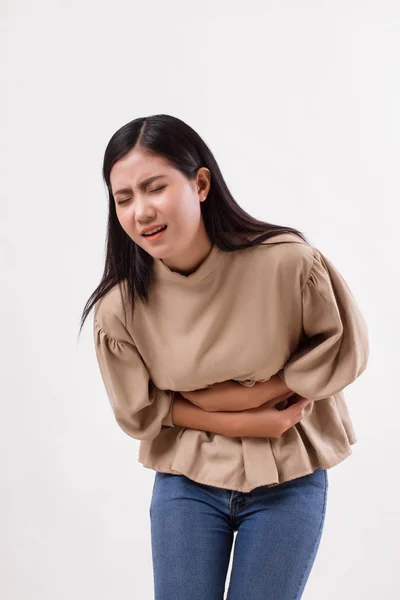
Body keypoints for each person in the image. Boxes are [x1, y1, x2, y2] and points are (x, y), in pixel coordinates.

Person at [79, 113, 369, 600]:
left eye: (154, 188)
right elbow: (140, 412)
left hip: (289, 478)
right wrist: (244, 419)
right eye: (123, 198)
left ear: (201, 183)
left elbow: (340, 348)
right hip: (186, 482)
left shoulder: (288, 263)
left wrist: (233, 398)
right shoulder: (119, 309)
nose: (141, 211)